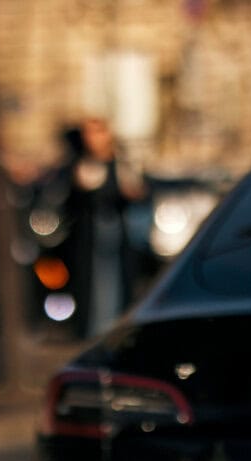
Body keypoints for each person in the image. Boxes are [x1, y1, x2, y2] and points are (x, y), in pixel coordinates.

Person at [40, 117, 150, 338]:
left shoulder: (122, 165)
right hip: (87, 237)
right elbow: (65, 198)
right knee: (89, 284)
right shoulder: (78, 165)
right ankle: (90, 330)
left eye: (98, 133)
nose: (93, 139)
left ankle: (118, 328)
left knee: (119, 284)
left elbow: (140, 193)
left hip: (118, 236)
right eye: (88, 134)